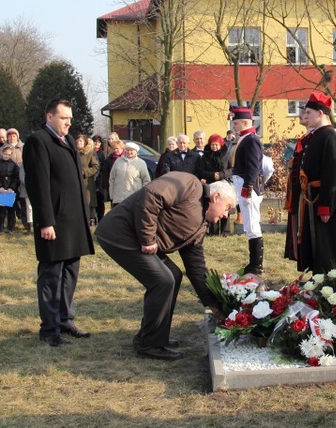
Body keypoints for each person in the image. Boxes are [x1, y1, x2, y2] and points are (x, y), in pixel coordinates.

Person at [95, 174, 235, 360]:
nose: (226, 215)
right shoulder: (189, 185)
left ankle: (154, 336)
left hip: (137, 239)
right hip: (120, 233)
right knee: (162, 280)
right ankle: (149, 345)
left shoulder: (200, 226)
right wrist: (147, 239)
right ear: (216, 197)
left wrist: (214, 306)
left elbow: (196, 268)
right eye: (227, 208)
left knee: (173, 275)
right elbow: (151, 195)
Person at [22, 99, 95, 347]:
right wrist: (45, 222)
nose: (69, 122)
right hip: (54, 222)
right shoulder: (38, 141)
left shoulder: (67, 140)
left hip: (74, 221)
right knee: (52, 276)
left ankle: (65, 320)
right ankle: (50, 329)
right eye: (65, 118)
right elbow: (38, 184)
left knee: (70, 274)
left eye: (70, 118)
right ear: (50, 117)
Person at [297, 91, 336, 273]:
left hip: (323, 198)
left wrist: (326, 205)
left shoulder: (329, 136)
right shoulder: (316, 135)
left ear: (321, 114)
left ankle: (326, 283)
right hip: (312, 197)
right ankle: (315, 281)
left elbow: (332, 174)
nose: (305, 116)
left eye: (308, 113)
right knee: (314, 245)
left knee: (324, 247)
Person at [230, 105, 265, 274]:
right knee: (249, 224)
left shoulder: (251, 139)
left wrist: (248, 187)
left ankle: (256, 265)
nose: (233, 126)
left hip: (247, 186)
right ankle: (254, 263)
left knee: (252, 225)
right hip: (243, 185)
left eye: (235, 123)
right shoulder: (245, 138)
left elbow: (253, 166)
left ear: (244, 122)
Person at [284, 103, 312, 262]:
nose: (301, 115)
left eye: (305, 112)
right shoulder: (305, 137)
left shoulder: (314, 138)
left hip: (307, 193)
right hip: (297, 191)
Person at [198, 134, 233, 235]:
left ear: (221, 145)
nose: (214, 147)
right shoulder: (205, 156)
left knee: (225, 207)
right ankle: (213, 231)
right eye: (212, 145)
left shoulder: (227, 154)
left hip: (225, 184)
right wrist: (213, 175)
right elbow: (201, 171)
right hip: (211, 184)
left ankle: (225, 231)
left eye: (216, 145)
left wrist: (222, 175)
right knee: (213, 207)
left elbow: (231, 169)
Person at [0, 145, 21, 234]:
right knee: (2, 210)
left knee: (11, 210)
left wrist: (11, 188)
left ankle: (10, 228)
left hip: (10, 190)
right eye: (5, 154)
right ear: (2, 153)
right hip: (1, 189)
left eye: (9, 155)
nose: (6, 156)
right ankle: (0, 227)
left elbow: (16, 178)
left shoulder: (14, 165)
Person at [75, 135, 100, 224]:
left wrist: (85, 172)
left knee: (88, 201)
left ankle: (91, 219)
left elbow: (96, 166)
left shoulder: (90, 153)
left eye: (81, 141)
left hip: (86, 181)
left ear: (85, 142)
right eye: (77, 141)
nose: (79, 143)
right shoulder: (73, 152)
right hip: (75, 181)